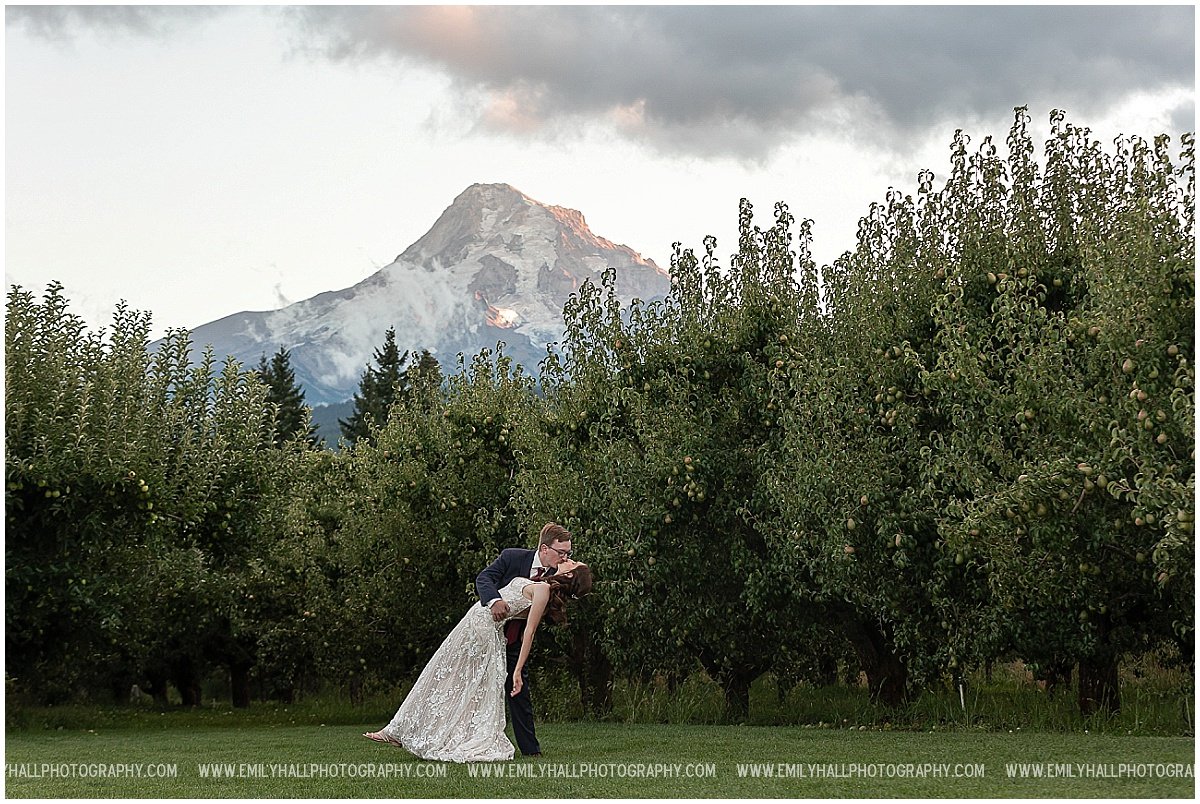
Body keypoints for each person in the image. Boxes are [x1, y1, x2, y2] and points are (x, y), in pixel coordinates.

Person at [363, 524, 591, 762]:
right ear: (545, 548)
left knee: (500, 691)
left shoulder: (549, 586)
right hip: (483, 625)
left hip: (504, 638)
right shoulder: (513, 557)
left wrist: (519, 668)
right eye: (562, 552)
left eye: (569, 556)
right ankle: (407, 730)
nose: (566, 557)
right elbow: (485, 578)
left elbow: (529, 629)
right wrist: (494, 601)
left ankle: (529, 749)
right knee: (452, 679)